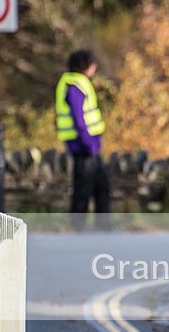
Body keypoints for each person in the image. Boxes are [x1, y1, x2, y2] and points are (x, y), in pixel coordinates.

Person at [55, 49, 110, 231]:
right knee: (84, 187)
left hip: (88, 145)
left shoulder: (77, 83)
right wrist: (89, 143)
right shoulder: (75, 85)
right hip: (84, 145)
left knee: (100, 185)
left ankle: (102, 224)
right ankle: (79, 226)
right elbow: (79, 118)